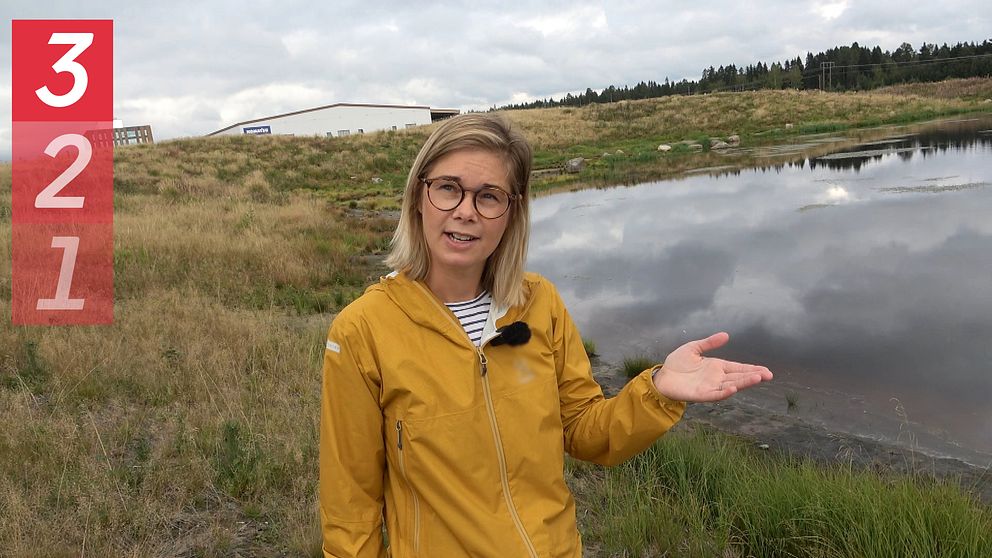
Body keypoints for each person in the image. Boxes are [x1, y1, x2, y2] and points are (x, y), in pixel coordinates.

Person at [319, 113, 772, 558]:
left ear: (511, 211)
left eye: (489, 196)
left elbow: (583, 432)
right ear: (419, 195)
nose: (465, 211)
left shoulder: (540, 303)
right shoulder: (363, 331)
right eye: (448, 188)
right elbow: (350, 509)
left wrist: (656, 391)